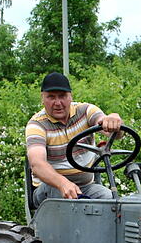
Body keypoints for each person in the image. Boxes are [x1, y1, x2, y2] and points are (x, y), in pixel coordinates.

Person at [26, 72, 124, 206]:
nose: (58, 103)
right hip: (50, 188)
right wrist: (62, 183)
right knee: (59, 194)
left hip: (85, 187)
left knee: (111, 201)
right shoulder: (37, 125)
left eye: (62, 96)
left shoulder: (85, 111)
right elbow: (37, 164)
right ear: (42, 99)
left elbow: (110, 130)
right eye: (51, 97)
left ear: (70, 96)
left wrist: (113, 121)